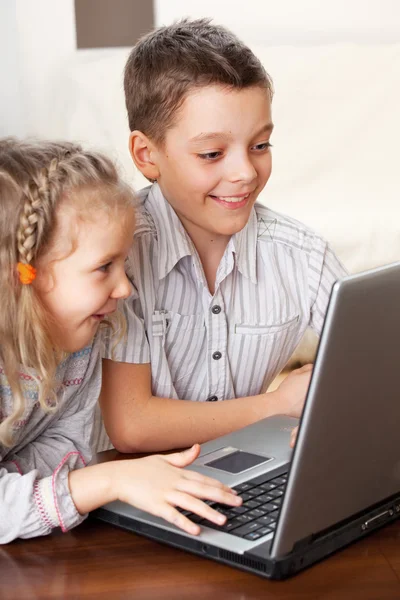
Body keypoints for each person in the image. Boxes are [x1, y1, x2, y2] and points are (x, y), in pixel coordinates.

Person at [97, 18, 347, 454]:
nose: (245, 173)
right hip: (126, 487)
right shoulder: (118, 259)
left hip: (240, 476)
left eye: (260, 145)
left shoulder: (301, 256)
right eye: (212, 153)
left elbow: (377, 366)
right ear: (147, 155)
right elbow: (132, 425)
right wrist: (278, 405)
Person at [0, 138, 241, 544]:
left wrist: (19, 488)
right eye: (103, 267)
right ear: (22, 277)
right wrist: (111, 479)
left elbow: (65, 445)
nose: (125, 288)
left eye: (124, 264)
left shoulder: (80, 342)